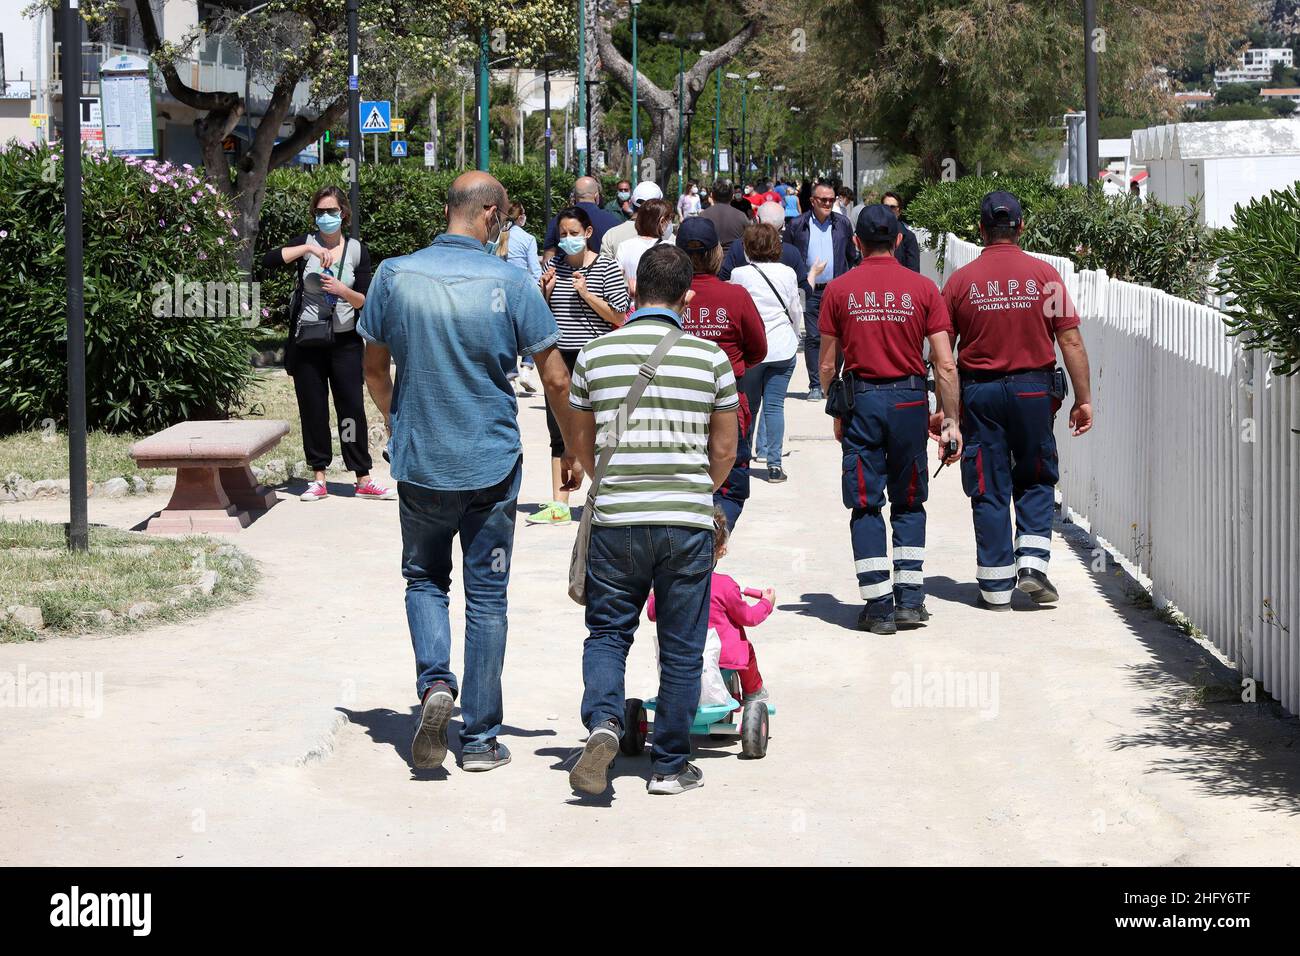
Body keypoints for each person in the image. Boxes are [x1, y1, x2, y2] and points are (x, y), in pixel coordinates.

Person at [358, 171, 581, 773]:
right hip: (491, 461)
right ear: (488, 215)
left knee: (424, 578)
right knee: (487, 598)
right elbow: (556, 377)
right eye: (503, 221)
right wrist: (577, 451)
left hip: (422, 459)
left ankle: (435, 685)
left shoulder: (394, 275)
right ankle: (480, 740)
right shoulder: (512, 281)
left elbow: (374, 369)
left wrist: (396, 418)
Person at [565, 243, 739, 797]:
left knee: (608, 634)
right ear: (688, 298)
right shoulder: (710, 360)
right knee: (683, 644)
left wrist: (610, 479)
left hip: (616, 522)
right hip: (686, 524)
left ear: (634, 291)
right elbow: (726, 451)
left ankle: (604, 724)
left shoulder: (594, 356)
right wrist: (694, 490)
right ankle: (668, 766)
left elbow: (581, 444)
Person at [940, 190, 1094, 610]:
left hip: (980, 393)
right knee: (1036, 475)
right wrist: (1083, 399)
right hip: (1032, 391)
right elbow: (1071, 341)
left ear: (981, 230)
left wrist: (947, 415)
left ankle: (993, 586)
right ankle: (1031, 566)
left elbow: (944, 359)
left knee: (988, 483)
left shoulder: (959, 282)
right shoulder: (1046, 276)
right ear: (1021, 227)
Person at [818, 205, 961, 635]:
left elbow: (827, 365)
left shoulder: (839, 290)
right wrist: (950, 419)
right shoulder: (923, 288)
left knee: (864, 500)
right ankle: (911, 601)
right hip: (910, 402)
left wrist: (836, 406)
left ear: (856, 242)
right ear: (899, 241)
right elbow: (945, 363)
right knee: (910, 498)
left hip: (862, 402)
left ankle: (878, 604)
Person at [263, 185, 394, 503]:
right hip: (308, 340)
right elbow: (268, 261)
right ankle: (318, 476)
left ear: (343, 214)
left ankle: (361, 476)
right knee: (314, 409)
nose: (326, 217)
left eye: (331, 211)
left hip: (345, 341)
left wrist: (341, 290)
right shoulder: (304, 245)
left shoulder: (356, 250)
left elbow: (365, 300)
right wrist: (307, 251)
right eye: (320, 212)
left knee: (350, 408)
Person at [531, 206, 631, 526]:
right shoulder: (553, 266)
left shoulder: (606, 267)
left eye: (574, 233)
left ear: (588, 234)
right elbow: (542, 316)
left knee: (600, 429)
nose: (568, 239)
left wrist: (586, 293)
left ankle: (604, 495)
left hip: (597, 358)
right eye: (563, 234)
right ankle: (560, 502)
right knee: (559, 428)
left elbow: (618, 315)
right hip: (560, 358)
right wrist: (544, 293)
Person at [676, 217, 767, 530]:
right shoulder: (735, 296)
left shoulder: (667, 296)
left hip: (676, 404)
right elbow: (758, 349)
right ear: (717, 252)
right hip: (726, 404)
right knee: (730, 486)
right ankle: (710, 544)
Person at [647, 508, 771, 702]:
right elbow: (748, 617)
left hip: (680, 656)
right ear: (721, 550)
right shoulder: (725, 585)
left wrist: (654, 594)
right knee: (747, 650)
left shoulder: (670, 584)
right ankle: (753, 692)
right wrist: (766, 603)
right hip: (722, 659)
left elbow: (654, 613)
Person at [727, 222, 802, 482]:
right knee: (775, 406)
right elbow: (795, 311)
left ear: (747, 248)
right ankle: (774, 464)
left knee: (749, 406)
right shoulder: (788, 273)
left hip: (751, 349)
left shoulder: (738, 274)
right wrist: (792, 335)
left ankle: (743, 460)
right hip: (781, 347)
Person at [786, 179, 860, 401]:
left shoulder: (843, 224)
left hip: (837, 290)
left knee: (839, 335)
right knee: (814, 337)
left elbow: (851, 255)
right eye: (823, 200)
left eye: (831, 200)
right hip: (809, 290)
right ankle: (816, 384)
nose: (827, 204)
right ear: (812, 201)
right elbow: (788, 256)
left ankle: (834, 379)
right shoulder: (797, 225)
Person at [497, 201, 542, 394]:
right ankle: (526, 368)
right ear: (521, 217)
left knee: (506, 335)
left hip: (500, 291)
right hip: (523, 288)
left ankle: (511, 376)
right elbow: (535, 268)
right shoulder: (528, 238)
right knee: (528, 331)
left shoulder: (499, 237)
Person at [543, 176, 620, 259]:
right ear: (596, 196)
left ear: (574, 197)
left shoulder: (558, 220)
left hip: (565, 270)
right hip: (603, 270)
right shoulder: (613, 221)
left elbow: (548, 257)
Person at [614, 198, 673, 304]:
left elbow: (614, 283)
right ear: (662, 221)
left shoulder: (625, 246)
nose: (670, 223)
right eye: (670, 219)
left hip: (633, 308)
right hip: (661, 307)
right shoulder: (670, 247)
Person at [599, 181, 664, 261]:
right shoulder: (666, 236)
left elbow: (604, 266)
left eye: (626, 190)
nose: (623, 193)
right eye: (621, 190)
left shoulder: (611, 235)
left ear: (632, 200)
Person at [699, 179, 751, 247]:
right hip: (735, 256)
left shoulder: (702, 216)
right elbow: (750, 238)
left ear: (712, 195)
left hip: (711, 256)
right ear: (732, 196)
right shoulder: (741, 216)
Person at [882, 191, 920, 273]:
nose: (888, 210)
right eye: (885, 207)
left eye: (892, 207)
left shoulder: (909, 237)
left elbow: (914, 272)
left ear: (899, 211)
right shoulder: (873, 234)